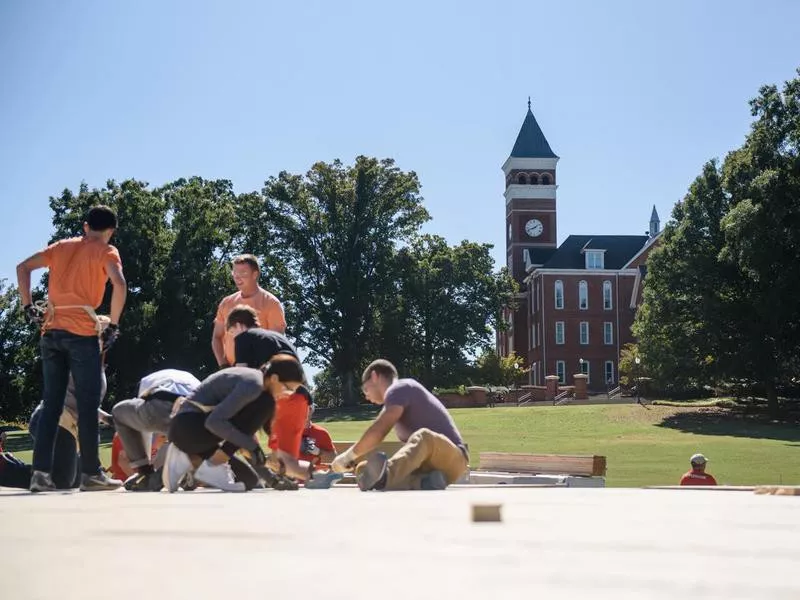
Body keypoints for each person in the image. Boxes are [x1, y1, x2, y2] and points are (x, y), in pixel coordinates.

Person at [17, 206, 126, 493]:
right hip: (81, 333)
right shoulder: (107, 251)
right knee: (88, 406)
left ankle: (40, 475)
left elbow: (23, 267)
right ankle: (92, 473)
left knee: (51, 403)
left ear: (86, 225)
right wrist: (113, 324)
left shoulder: (61, 247)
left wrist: (28, 306)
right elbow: (119, 284)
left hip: (51, 331)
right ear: (111, 231)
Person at [163, 355, 306, 493]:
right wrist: (252, 447)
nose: (288, 395)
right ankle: (209, 464)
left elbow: (244, 435)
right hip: (188, 426)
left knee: (247, 480)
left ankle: (186, 460)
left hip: (198, 436)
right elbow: (214, 422)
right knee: (267, 404)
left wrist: (273, 469)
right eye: (289, 388)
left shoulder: (259, 386)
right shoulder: (254, 385)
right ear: (274, 378)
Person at [331, 359, 468, 491]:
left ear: (374, 376)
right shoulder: (393, 403)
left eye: (366, 389)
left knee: (424, 436)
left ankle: (384, 479)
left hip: (453, 457)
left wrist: (347, 457)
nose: (366, 397)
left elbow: (378, 431)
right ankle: (423, 482)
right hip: (431, 469)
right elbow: (376, 432)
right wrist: (350, 461)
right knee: (363, 468)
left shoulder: (401, 387)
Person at [112, 368, 201, 491]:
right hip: (196, 415)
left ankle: (145, 473)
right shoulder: (191, 378)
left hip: (161, 407)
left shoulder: (145, 383)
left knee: (118, 412)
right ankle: (191, 469)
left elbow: (141, 428)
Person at [28, 366, 114, 489]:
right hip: (58, 421)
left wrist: (108, 419)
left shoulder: (95, 370)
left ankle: (36, 474)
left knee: (76, 482)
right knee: (62, 479)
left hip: (61, 423)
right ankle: (6, 467)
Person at [212, 254, 286, 369]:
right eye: (235, 273)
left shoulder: (271, 303)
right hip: (231, 371)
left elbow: (276, 342)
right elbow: (216, 337)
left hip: (260, 372)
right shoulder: (226, 303)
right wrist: (224, 365)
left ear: (255, 274)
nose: (237, 277)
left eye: (243, 273)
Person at [226, 305, 298, 368]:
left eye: (232, 332)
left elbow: (241, 375)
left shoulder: (243, 338)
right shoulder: (282, 339)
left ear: (239, 326)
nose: (233, 337)